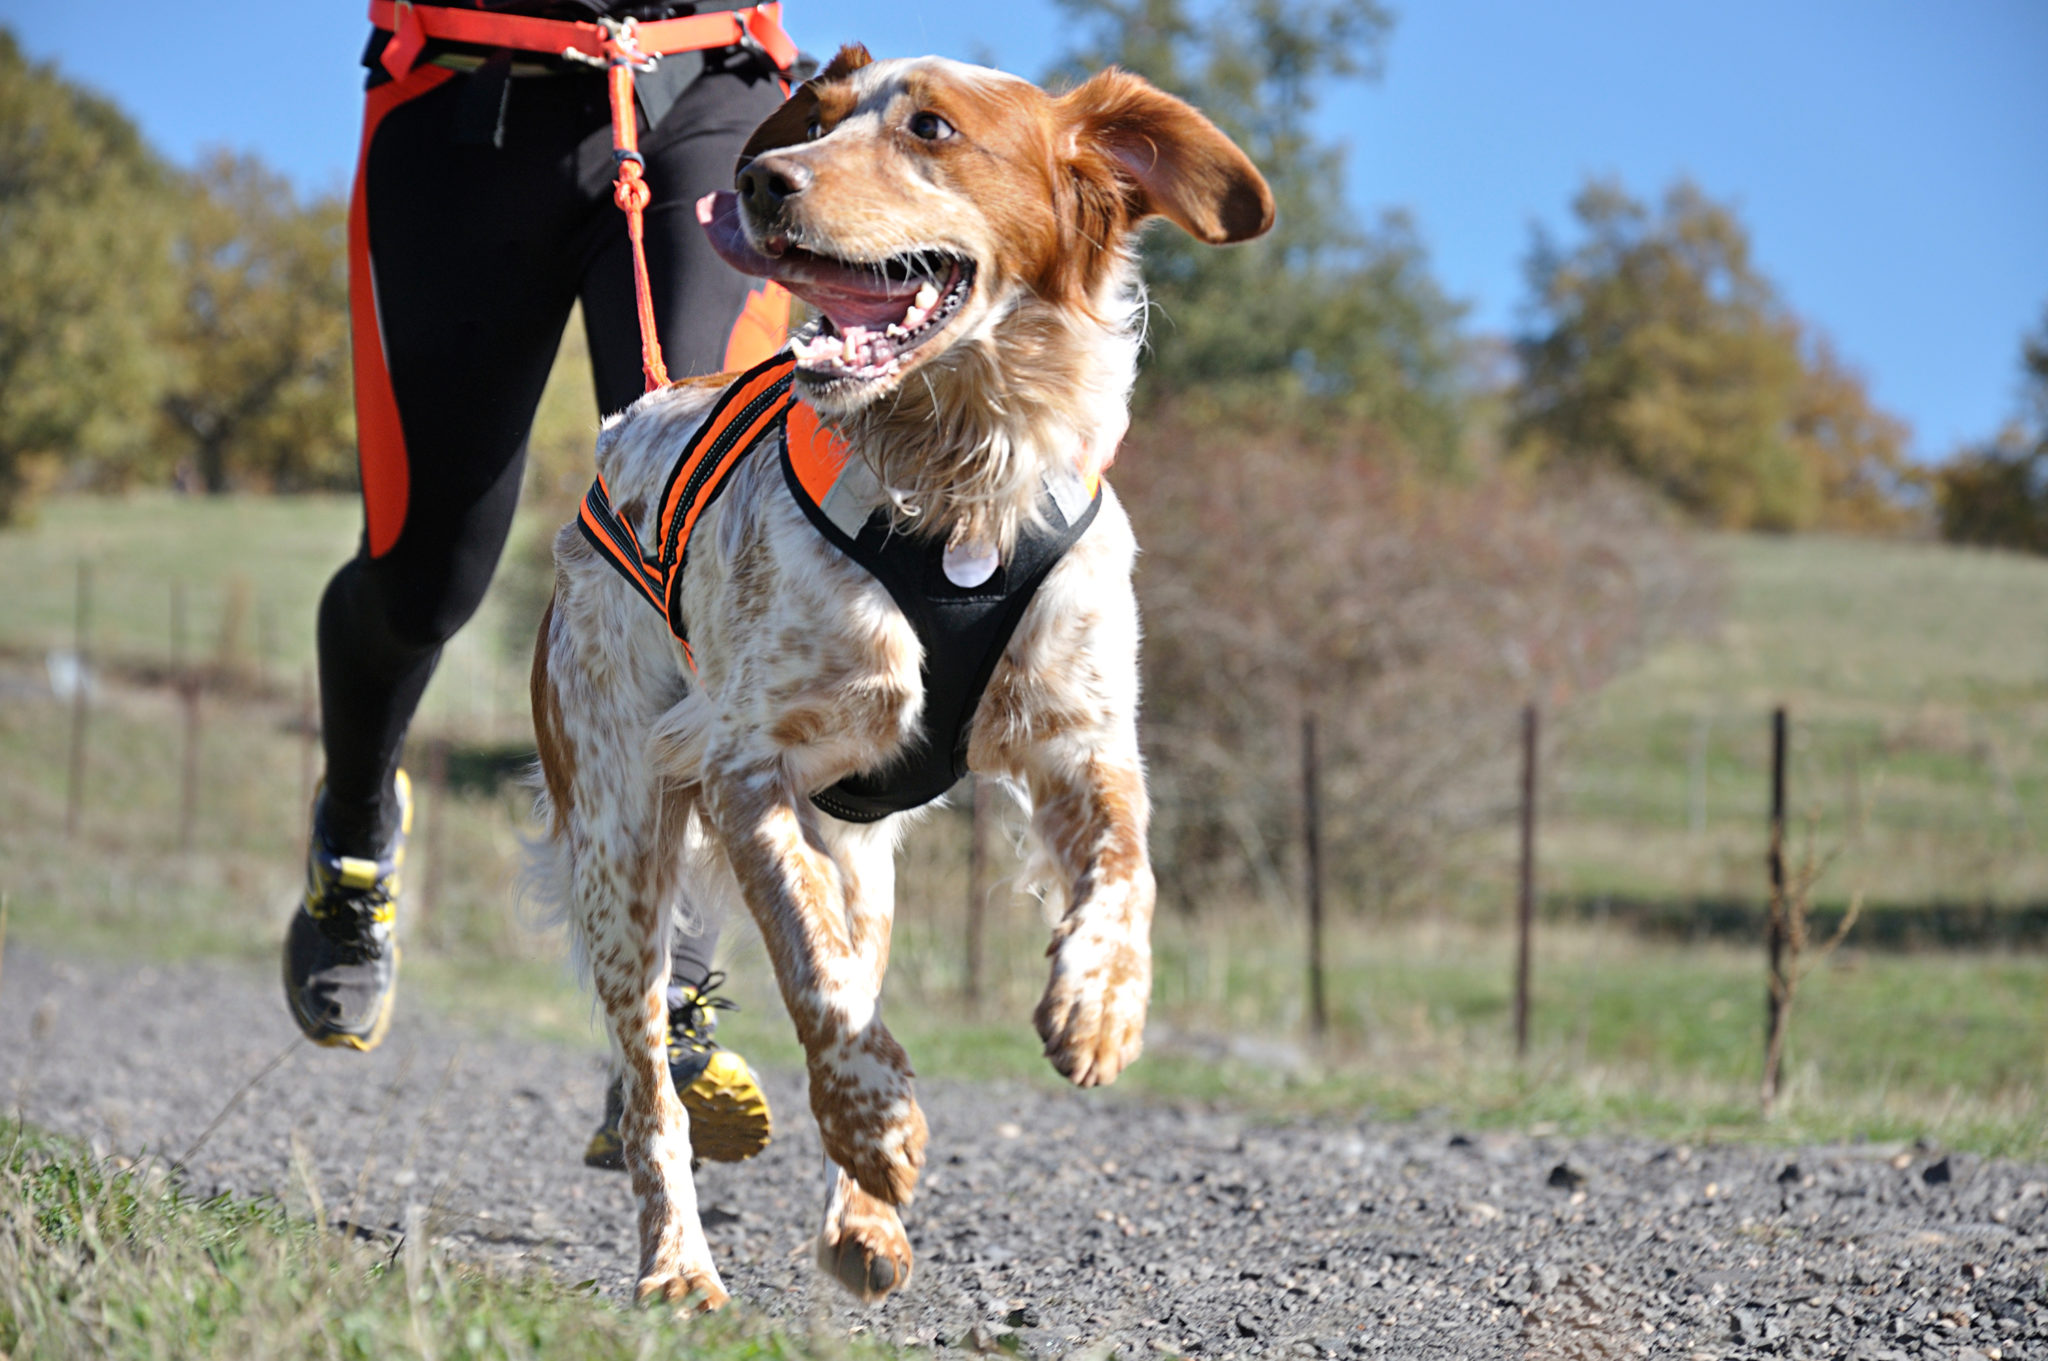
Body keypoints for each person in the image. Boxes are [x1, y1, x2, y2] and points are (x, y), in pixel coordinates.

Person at [281, 0, 804, 1170]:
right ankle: (354, 833)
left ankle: (667, 1005)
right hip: (466, 104)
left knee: (701, 550)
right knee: (424, 577)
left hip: (706, 96)